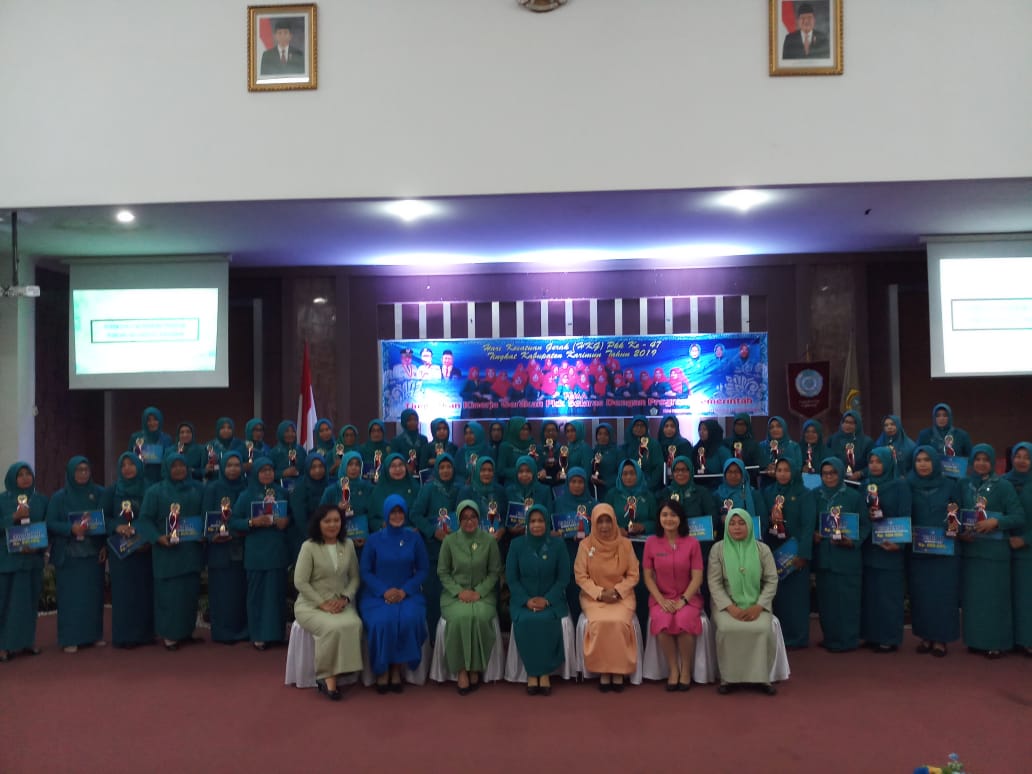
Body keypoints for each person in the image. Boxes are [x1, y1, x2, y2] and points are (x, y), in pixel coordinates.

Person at [957, 444, 1024, 658]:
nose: (981, 464)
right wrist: (959, 532)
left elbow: (1018, 516)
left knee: (995, 601)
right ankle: (975, 641)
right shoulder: (964, 485)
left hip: (995, 556)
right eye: (977, 459)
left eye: (986, 460)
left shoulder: (1003, 486)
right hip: (972, 554)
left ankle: (996, 643)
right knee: (974, 601)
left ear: (993, 462)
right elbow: (954, 513)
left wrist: (996, 522)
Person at [360, 495, 429, 692]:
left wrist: (405, 591)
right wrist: (384, 591)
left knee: (409, 618)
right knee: (382, 621)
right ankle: (382, 670)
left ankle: (396, 669)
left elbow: (423, 570)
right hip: (377, 595)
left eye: (400, 512)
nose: (397, 515)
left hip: (407, 594)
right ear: (386, 513)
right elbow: (365, 571)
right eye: (393, 512)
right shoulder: (374, 539)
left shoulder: (414, 539)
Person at [294, 504, 363, 701]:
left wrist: (346, 598)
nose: (333, 525)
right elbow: (300, 581)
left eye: (336, 520)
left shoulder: (347, 545)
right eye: (327, 521)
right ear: (319, 523)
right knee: (333, 628)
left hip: (339, 602)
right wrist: (322, 603)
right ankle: (327, 678)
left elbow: (355, 578)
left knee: (354, 624)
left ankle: (345, 670)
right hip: (311, 604)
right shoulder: (309, 547)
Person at [707, 508, 779, 695]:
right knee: (727, 628)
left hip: (758, 605)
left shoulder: (762, 549)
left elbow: (771, 580)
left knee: (762, 629)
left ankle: (762, 678)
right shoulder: (718, 549)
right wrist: (730, 608)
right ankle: (728, 679)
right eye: (732, 523)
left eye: (741, 523)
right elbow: (714, 583)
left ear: (750, 525)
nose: (737, 527)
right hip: (726, 606)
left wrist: (759, 606)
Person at [137, 453, 204, 650]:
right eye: (173, 466)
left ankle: (186, 632)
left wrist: (204, 533)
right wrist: (158, 537)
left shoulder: (197, 489)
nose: (178, 470)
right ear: (166, 469)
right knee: (169, 595)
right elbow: (145, 520)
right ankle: (170, 636)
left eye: (182, 466)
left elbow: (205, 515)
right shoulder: (155, 492)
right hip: (167, 552)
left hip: (190, 551)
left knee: (188, 594)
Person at [438, 499, 502, 694]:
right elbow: (443, 572)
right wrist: (459, 591)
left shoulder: (489, 541)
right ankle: (461, 670)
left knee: (481, 618)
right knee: (459, 618)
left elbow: (494, 572)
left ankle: (476, 666)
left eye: (473, 517)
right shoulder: (449, 541)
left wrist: (479, 592)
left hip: (484, 595)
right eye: (464, 518)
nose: (469, 521)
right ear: (458, 519)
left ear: (479, 518)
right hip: (454, 595)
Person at [506, 503, 571, 695]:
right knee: (526, 620)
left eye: (541, 521)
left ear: (547, 522)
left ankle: (543, 673)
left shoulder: (558, 545)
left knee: (545, 620)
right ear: (527, 523)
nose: (536, 525)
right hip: (523, 601)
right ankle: (532, 673)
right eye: (533, 521)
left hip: (551, 601)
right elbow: (512, 578)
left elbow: (563, 578)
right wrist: (526, 600)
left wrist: (547, 600)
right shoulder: (516, 545)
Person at [575, 503, 640, 692]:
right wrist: (600, 594)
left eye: (608, 521)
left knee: (619, 622)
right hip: (594, 597)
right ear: (594, 523)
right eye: (600, 522)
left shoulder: (625, 545)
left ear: (614, 522)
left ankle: (619, 671)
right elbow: (581, 576)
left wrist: (618, 591)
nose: (604, 526)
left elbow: (633, 574)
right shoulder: (585, 545)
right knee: (600, 622)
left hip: (622, 597)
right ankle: (603, 670)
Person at [45, 456, 107, 653]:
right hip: (69, 555)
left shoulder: (99, 493)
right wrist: (70, 529)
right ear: (71, 473)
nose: (82, 474)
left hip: (93, 554)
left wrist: (105, 545)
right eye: (78, 470)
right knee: (70, 598)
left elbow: (107, 520)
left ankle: (93, 635)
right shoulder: (59, 497)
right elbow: (50, 523)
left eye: (85, 470)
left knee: (93, 597)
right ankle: (70, 637)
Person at [230, 457, 292, 650]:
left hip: (277, 551)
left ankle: (275, 634)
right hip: (256, 553)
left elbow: (291, 516)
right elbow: (233, 522)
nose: (267, 473)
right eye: (263, 470)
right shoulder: (246, 495)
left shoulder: (281, 492)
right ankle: (258, 635)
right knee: (257, 595)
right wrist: (252, 522)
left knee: (276, 594)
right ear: (255, 472)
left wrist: (286, 521)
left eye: (270, 470)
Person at [643, 499, 704, 691]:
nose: (669, 519)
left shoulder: (692, 543)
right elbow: (648, 577)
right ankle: (673, 670)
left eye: (673, 515)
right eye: (664, 515)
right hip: (661, 597)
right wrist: (661, 600)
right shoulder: (651, 543)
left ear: (681, 519)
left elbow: (697, 577)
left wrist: (684, 600)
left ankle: (686, 670)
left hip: (688, 598)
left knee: (684, 620)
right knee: (662, 621)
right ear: (659, 518)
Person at [907, 446, 961, 657]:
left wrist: (953, 527)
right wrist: (905, 531)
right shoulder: (908, 484)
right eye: (918, 460)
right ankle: (925, 636)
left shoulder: (950, 485)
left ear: (935, 462)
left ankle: (941, 639)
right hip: (918, 551)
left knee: (943, 595)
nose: (922, 464)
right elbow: (903, 511)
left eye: (927, 460)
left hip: (944, 551)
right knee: (922, 595)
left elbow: (957, 511)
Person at [813, 457, 868, 652]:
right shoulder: (815, 495)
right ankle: (831, 638)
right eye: (825, 473)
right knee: (827, 602)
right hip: (824, 557)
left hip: (846, 557)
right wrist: (815, 535)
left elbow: (864, 525)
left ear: (840, 473)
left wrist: (852, 541)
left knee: (848, 600)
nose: (829, 477)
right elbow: (810, 523)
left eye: (833, 473)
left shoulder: (853, 496)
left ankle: (848, 640)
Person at [760, 458, 816, 649]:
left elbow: (809, 527)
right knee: (778, 596)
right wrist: (771, 518)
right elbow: (763, 522)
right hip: (774, 550)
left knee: (797, 598)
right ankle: (779, 637)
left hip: (796, 552)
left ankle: (797, 638)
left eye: (786, 470)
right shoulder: (768, 492)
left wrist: (803, 554)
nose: (782, 474)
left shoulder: (805, 494)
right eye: (779, 470)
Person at [859, 447, 911, 652]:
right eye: (871, 462)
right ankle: (871, 635)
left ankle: (889, 637)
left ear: (889, 463)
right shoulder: (865, 485)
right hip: (870, 547)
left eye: (879, 462)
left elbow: (906, 514)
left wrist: (899, 544)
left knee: (889, 595)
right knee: (870, 594)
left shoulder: (900, 485)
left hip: (891, 547)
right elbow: (860, 513)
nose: (874, 465)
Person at [102, 453, 154, 649]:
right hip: (121, 551)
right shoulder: (112, 492)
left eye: (131, 464)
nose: (127, 468)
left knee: (145, 591)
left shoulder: (150, 489)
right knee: (124, 593)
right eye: (123, 465)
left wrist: (148, 538)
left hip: (144, 549)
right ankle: (124, 636)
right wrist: (117, 527)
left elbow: (156, 517)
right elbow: (102, 519)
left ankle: (145, 634)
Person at [0, 462, 48, 661]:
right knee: (5, 603)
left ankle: (26, 641)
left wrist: (39, 547)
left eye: (28, 473)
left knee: (28, 603)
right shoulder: (2, 500)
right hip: (7, 560)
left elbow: (46, 527)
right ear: (12, 477)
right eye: (20, 474)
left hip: (32, 560)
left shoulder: (40, 500)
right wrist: (13, 517)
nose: (25, 477)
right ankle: (3, 646)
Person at [409, 453, 462, 634]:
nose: (446, 471)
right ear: (436, 470)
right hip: (432, 549)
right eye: (442, 467)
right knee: (433, 594)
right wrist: (434, 532)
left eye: (449, 467)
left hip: (455, 549)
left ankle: (451, 635)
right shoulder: (428, 489)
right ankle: (433, 636)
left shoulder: (459, 489)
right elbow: (415, 514)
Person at [202, 451, 250, 644]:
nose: (233, 469)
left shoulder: (246, 487)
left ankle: (241, 631)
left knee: (240, 591)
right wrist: (211, 535)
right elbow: (205, 515)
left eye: (237, 465)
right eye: (229, 465)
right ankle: (222, 632)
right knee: (221, 592)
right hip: (219, 548)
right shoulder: (213, 488)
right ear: (222, 467)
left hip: (242, 545)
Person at [1004, 442, 1032, 656]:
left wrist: (1026, 539)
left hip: (1027, 551)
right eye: (1018, 456)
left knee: (1026, 598)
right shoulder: (1001, 483)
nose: (1022, 460)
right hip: (1002, 550)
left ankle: (1027, 639)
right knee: (1005, 597)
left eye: (1027, 457)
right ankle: (1007, 638)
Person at [289, 453, 330, 561]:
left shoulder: (329, 485)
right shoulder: (300, 489)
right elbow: (300, 519)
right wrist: (316, 537)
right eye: (313, 467)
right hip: (306, 538)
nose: (318, 470)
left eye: (321, 466)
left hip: (330, 535)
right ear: (307, 469)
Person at [368, 452, 421, 533]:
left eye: (401, 465)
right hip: (386, 536)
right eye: (393, 466)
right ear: (386, 469)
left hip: (412, 535)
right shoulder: (378, 491)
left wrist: (418, 528)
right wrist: (382, 525)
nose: (398, 469)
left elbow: (423, 514)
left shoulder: (415, 487)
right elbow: (372, 519)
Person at [128, 406, 173, 486]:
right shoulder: (136, 437)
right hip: (140, 481)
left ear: (160, 420)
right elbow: (129, 458)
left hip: (161, 481)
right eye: (148, 420)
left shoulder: (167, 439)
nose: (152, 423)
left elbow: (171, 461)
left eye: (155, 419)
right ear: (144, 421)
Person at [827, 411, 873, 483]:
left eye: (851, 423)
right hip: (835, 481)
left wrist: (861, 473)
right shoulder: (833, 439)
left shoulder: (867, 442)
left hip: (860, 482)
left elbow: (874, 464)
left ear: (858, 424)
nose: (847, 425)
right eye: (845, 422)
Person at [759, 416, 802, 480]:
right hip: (767, 485)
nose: (775, 429)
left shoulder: (794, 446)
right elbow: (757, 467)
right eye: (771, 427)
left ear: (784, 428)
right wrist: (767, 468)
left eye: (779, 426)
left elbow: (798, 468)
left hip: (790, 485)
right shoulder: (762, 446)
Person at [270, 420, 306, 491]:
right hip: (279, 489)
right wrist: (283, 473)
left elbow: (307, 470)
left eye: (293, 431)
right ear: (280, 433)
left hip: (300, 488)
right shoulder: (273, 452)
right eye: (286, 431)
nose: (290, 434)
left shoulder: (301, 450)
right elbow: (268, 473)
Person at [693, 419, 731, 485]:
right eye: (700, 429)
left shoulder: (722, 450)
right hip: (698, 488)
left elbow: (729, 473)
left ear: (712, 431)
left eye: (705, 429)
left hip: (717, 488)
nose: (701, 432)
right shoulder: (696, 448)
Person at [589, 422, 622, 500]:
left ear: (610, 436)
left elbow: (621, 473)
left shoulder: (617, 452)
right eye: (600, 434)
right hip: (594, 490)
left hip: (612, 490)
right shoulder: (594, 451)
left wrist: (604, 482)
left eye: (606, 434)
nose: (602, 437)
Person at [392, 409, 428, 476]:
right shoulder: (397, 440)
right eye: (409, 420)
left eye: (415, 420)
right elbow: (394, 459)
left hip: (420, 475)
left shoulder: (423, 439)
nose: (413, 422)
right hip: (402, 474)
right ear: (404, 422)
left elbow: (425, 457)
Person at [455, 421, 490, 486]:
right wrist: (464, 482)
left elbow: (494, 474)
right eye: (466, 433)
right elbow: (456, 474)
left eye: (471, 433)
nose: (468, 436)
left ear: (479, 433)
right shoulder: (461, 452)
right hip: (464, 487)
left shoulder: (488, 451)